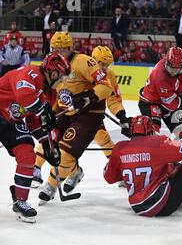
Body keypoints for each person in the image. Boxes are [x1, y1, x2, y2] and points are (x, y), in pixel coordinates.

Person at [31, 45, 130, 189]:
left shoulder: (109, 75)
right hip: (70, 113)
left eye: (107, 64)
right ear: (94, 60)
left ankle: (121, 171)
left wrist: (122, 116)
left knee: (104, 141)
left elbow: (114, 100)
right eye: (101, 63)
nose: (104, 67)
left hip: (90, 116)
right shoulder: (82, 67)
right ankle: (37, 168)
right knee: (52, 138)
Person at [38, 32, 115, 204]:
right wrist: (50, 111)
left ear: (70, 48)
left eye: (61, 49)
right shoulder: (53, 62)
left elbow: (106, 87)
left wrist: (89, 97)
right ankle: (75, 172)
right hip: (67, 113)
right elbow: (55, 90)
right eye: (54, 49)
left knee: (65, 154)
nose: (57, 52)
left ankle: (50, 186)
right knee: (50, 145)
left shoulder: (84, 61)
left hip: (88, 115)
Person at [0, 52, 70, 222]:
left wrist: (47, 146)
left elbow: (33, 120)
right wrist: (43, 110)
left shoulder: (50, 92)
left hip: (10, 121)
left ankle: (20, 201)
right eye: (60, 76)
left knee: (27, 155)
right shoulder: (30, 74)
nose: (62, 81)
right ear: (53, 72)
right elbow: (25, 97)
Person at [104, 115, 182, 217]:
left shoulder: (119, 148)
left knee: (167, 166)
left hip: (137, 207)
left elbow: (109, 177)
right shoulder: (158, 142)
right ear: (150, 130)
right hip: (162, 204)